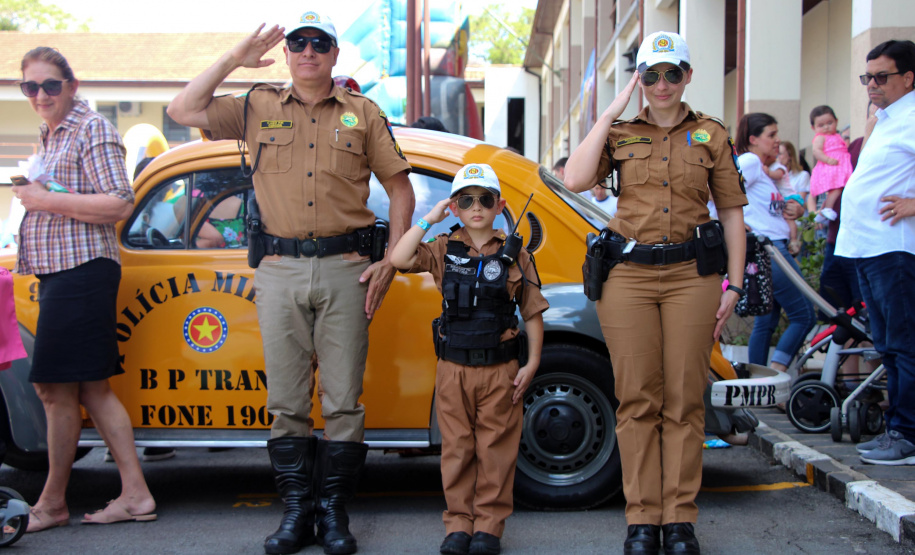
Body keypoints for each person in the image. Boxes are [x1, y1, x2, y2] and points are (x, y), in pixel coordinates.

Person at [167, 10, 415, 555]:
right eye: (298, 43)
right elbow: (182, 108)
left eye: (319, 43)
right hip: (278, 269)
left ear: (333, 54)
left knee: (345, 400)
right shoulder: (257, 105)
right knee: (286, 401)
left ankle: (333, 515)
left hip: (347, 268)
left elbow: (400, 190)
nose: (308, 51)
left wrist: (391, 262)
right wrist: (235, 56)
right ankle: (297, 513)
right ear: (286, 54)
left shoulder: (363, 113)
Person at [563, 32, 747, 555]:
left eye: (671, 73)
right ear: (638, 79)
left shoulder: (710, 133)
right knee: (637, 398)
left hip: (693, 275)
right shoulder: (619, 133)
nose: (661, 84)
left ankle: (680, 519)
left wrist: (734, 283)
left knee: (685, 400)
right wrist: (610, 112)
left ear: (687, 76)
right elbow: (575, 178)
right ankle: (642, 519)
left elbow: (732, 213)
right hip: (629, 279)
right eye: (650, 75)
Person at [12, 47, 156, 532]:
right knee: (91, 388)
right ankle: (135, 493)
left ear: (71, 86)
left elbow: (119, 203)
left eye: (51, 85)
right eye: (30, 87)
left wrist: (41, 198)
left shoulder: (90, 128)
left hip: (81, 272)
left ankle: (52, 502)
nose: (41, 95)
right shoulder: (52, 134)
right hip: (65, 274)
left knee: (53, 389)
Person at [390, 163, 547, 555]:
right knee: (457, 449)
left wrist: (533, 364)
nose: (476, 207)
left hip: (500, 369)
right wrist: (429, 217)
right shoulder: (444, 247)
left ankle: (489, 527)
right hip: (453, 369)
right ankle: (459, 524)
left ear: (499, 206)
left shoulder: (518, 256)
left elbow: (533, 313)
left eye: (485, 199)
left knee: (496, 451)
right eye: (465, 199)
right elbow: (398, 258)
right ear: (455, 206)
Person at [835, 39, 915, 465]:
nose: (871, 85)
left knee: (904, 345)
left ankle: (908, 434)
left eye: (881, 77)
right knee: (886, 345)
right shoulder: (886, 120)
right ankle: (897, 431)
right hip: (867, 249)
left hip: (894, 251)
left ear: (908, 77)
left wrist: (913, 204)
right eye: (867, 77)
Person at [736, 113, 816, 376]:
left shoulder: (763, 170)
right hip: (770, 250)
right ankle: (776, 374)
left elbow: (777, 206)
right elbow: (717, 192)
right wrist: (734, 225)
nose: (777, 140)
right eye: (771, 135)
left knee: (766, 320)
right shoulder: (748, 161)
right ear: (753, 139)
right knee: (805, 315)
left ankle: (757, 383)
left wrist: (797, 209)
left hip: (771, 247)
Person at [809, 105, 853, 224]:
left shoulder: (837, 136)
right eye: (821, 125)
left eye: (830, 123)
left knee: (837, 189)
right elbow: (816, 151)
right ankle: (827, 208)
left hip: (840, 165)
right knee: (837, 188)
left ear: (836, 121)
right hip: (832, 166)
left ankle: (825, 209)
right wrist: (828, 160)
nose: (826, 127)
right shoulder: (820, 138)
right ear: (813, 127)